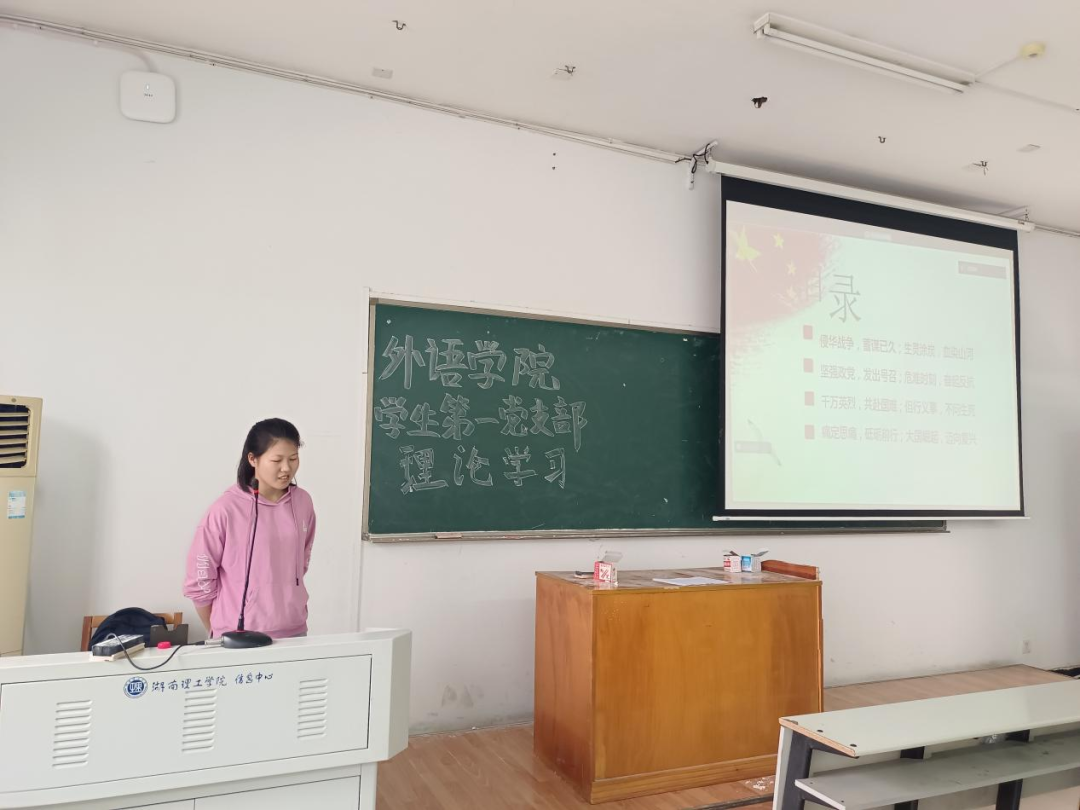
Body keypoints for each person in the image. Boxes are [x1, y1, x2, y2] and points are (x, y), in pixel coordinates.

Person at [183, 418, 316, 639]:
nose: (286, 468)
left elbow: (302, 559)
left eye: (293, 459)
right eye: (277, 460)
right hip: (239, 635)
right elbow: (199, 578)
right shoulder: (225, 509)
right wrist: (218, 628)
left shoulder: (303, 502)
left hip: (294, 630)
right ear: (253, 459)